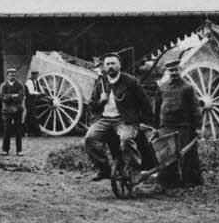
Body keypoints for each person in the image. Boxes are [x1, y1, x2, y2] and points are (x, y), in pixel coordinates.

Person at [83, 53, 153, 182]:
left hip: (124, 120)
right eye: (108, 64)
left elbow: (145, 103)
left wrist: (142, 121)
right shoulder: (101, 83)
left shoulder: (130, 81)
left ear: (119, 65)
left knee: (126, 139)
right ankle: (104, 169)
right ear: (104, 67)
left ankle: (134, 170)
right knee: (89, 139)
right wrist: (101, 101)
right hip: (103, 119)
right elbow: (92, 107)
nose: (110, 66)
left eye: (113, 63)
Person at [152, 60, 204, 188]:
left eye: (176, 70)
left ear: (180, 70)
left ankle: (188, 182)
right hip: (166, 126)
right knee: (166, 154)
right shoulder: (162, 87)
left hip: (183, 126)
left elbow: (195, 108)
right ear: (167, 72)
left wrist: (197, 127)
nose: (174, 72)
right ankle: (167, 182)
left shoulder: (187, 87)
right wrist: (155, 127)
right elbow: (157, 108)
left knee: (183, 154)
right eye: (171, 70)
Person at [0, 67, 27, 156]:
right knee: (7, 130)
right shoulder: (3, 85)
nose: (12, 76)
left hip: (18, 110)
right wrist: (12, 96)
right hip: (7, 110)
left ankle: (19, 150)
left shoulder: (20, 85)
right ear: (7, 76)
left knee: (18, 130)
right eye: (10, 75)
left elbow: (21, 97)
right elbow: (2, 97)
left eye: (13, 75)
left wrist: (9, 97)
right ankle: (5, 150)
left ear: (15, 75)